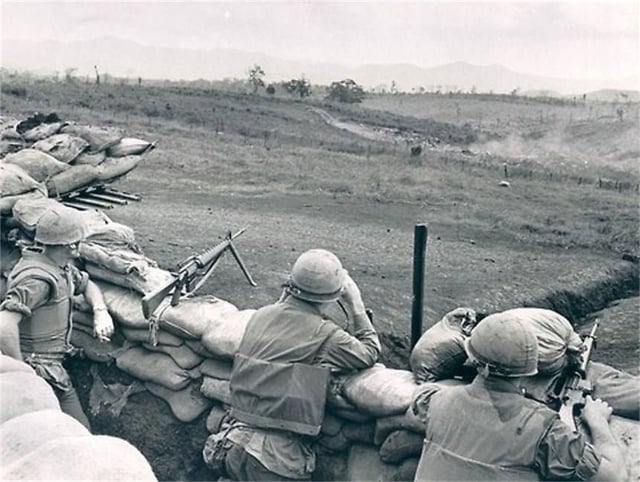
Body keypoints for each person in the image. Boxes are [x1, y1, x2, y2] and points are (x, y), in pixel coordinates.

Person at [205, 248, 381, 481]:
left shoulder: (260, 316)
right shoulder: (325, 335)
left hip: (231, 444)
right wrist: (355, 302)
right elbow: (370, 351)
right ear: (334, 295)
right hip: (275, 459)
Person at [410, 312, 626, 481]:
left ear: (473, 360)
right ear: (532, 368)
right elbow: (614, 476)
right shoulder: (546, 431)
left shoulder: (433, 401)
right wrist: (597, 422)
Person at [0, 210, 114, 429]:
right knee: (76, 433)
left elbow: (87, 285)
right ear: (72, 246)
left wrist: (100, 311)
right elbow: (4, 324)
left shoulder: (57, 267)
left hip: (51, 369)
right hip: (38, 370)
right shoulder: (38, 280)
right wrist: (23, 373)